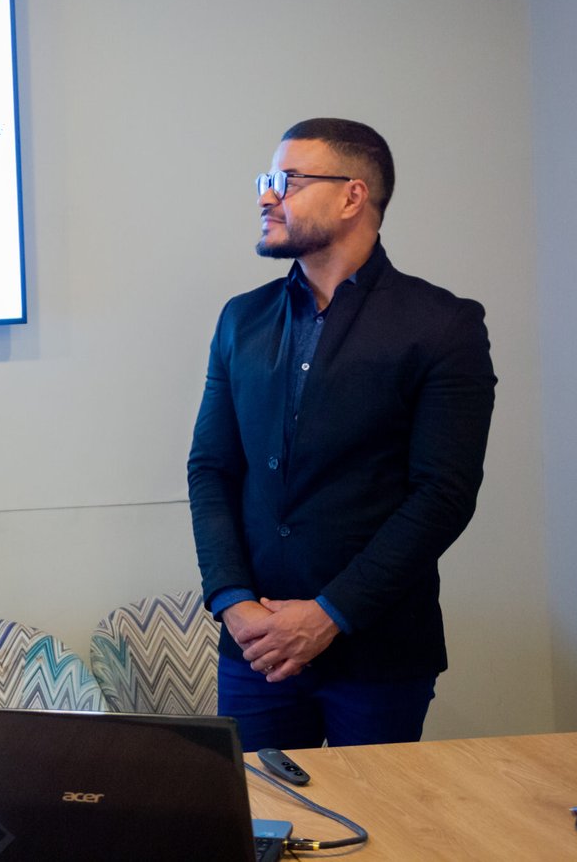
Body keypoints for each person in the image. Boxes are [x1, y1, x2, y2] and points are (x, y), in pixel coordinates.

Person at [186, 117, 496, 751]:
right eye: (266, 179)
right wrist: (232, 600)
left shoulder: (443, 325)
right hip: (257, 650)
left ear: (354, 195)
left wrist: (329, 615)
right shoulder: (241, 320)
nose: (266, 196)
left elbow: (443, 495)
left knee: (380, 814)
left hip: (378, 651)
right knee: (260, 813)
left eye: (288, 181)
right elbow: (211, 469)